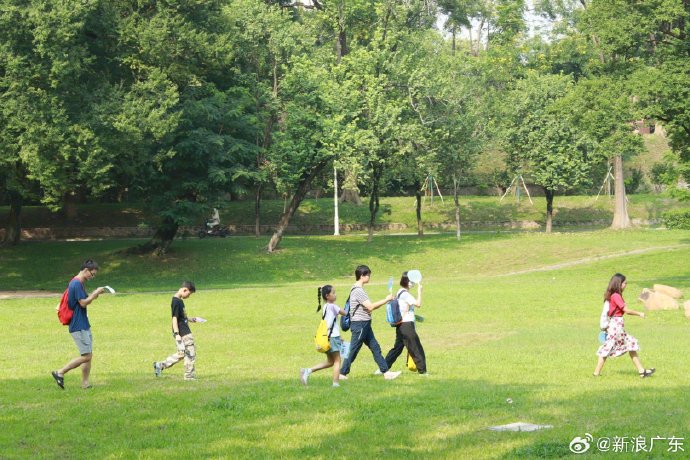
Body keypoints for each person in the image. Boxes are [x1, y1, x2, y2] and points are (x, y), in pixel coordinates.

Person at [339, 265, 401, 381]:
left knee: (375, 348)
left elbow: (369, 308)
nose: (369, 277)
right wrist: (386, 299)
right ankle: (342, 373)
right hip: (360, 325)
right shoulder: (358, 290)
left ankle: (386, 372)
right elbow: (370, 306)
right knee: (353, 349)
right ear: (362, 276)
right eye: (368, 275)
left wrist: (373, 307)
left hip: (365, 324)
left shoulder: (358, 289)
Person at [51, 259, 105, 390]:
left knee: (88, 355)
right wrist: (95, 293)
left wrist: (93, 296)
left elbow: (83, 301)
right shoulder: (76, 283)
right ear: (86, 270)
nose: (92, 277)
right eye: (92, 274)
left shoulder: (78, 283)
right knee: (87, 356)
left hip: (83, 324)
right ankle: (60, 372)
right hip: (78, 325)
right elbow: (83, 303)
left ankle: (85, 383)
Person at [594, 273, 655, 378]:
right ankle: (596, 373)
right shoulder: (616, 296)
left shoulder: (614, 295)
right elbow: (626, 310)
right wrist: (639, 313)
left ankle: (642, 371)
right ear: (619, 284)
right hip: (616, 326)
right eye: (625, 283)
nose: (626, 285)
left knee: (630, 344)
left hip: (617, 326)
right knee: (607, 348)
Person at [300, 285, 347, 387]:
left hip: (327, 337)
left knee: (330, 361)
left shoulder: (325, 306)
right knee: (337, 361)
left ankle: (307, 371)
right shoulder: (333, 306)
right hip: (332, 337)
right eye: (333, 293)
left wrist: (339, 337)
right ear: (327, 296)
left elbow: (330, 323)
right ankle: (335, 384)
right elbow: (345, 313)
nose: (335, 295)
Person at [153, 281, 200, 380]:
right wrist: (176, 333)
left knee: (181, 354)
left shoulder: (179, 301)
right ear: (185, 290)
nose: (189, 296)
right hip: (183, 332)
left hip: (183, 330)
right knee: (190, 353)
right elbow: (174, 318)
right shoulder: (175, 301)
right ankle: (189, 376)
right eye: (189, 294)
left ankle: (160, 365)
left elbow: (182, 317)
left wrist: (191, 319)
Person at [384, 272, 427, 375]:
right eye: (410, 281)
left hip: (401, 324)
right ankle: (423, 371)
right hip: (406, 325)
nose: (412, 283)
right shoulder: (405, 294)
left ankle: (383, 368)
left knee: (397, 349)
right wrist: (419, 292)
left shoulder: (400, 292)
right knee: (416, 347)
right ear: (406, 282)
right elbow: (418, 304)